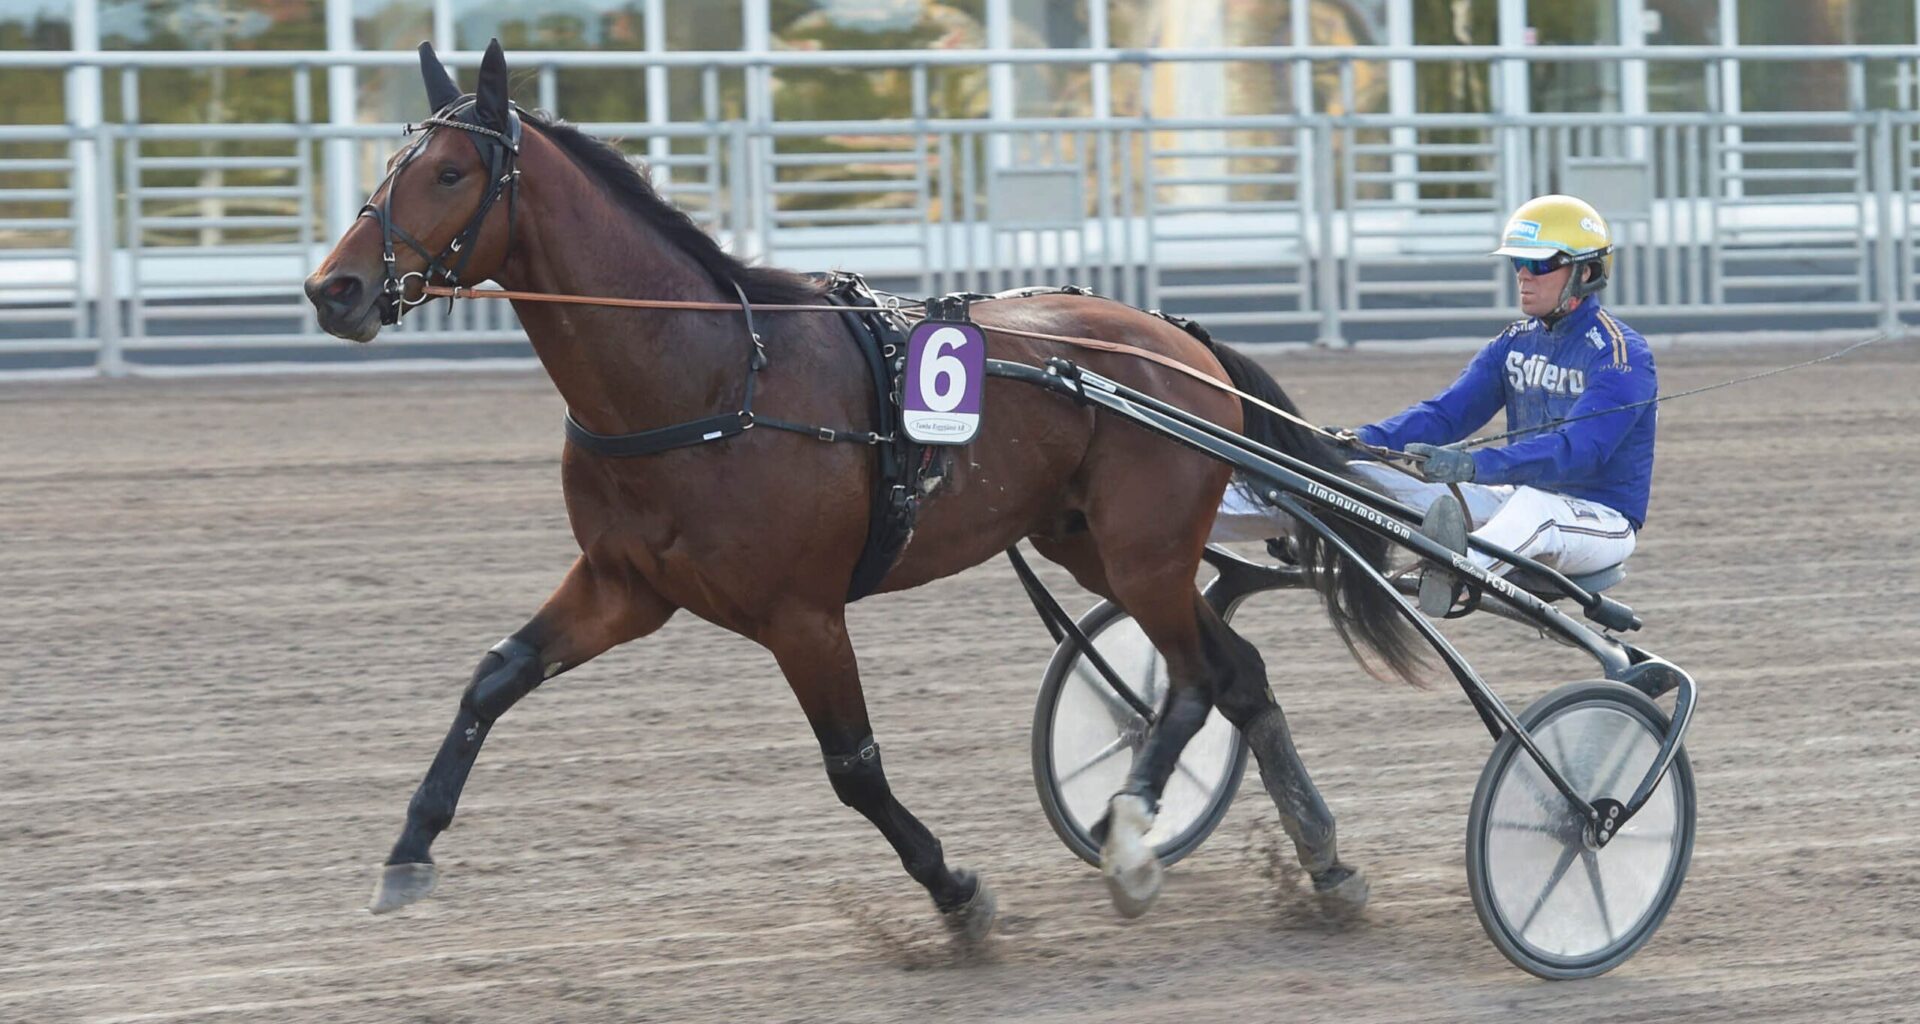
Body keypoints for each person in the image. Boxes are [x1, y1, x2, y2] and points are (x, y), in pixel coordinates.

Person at [1213, 194, 1657, 613]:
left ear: (1586, 271)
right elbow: (1443, 415)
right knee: (1363, 477)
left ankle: (1449, 576)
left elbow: (1577, 451)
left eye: (1539, 263)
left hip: (1600, 521)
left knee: (1534, 512)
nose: (1523, 274)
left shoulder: (1621, 356)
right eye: (1518, 262)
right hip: (1517, 500)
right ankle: (1214, 518)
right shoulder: (1514, 343)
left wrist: (1473, 466)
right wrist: (1352, 444)